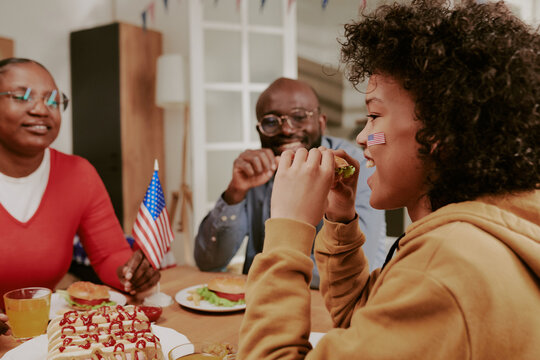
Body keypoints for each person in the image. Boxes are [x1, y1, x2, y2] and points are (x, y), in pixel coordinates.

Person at [238, 0, 540, 358]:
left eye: (374, 115)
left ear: (440, 131)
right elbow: (362, 321)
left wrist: (288, 228)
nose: (364, 137)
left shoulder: (447, 265)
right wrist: (340, 217)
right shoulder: (468, 236)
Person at [0, 58, 160, 333]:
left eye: (52, 100)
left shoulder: (78, 174)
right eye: (22, 96)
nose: (41, 109)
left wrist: (132, 275)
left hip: (39, 335)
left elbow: (109, 254)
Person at [194, 77, 386, 288]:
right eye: (270, 121)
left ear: (321, 123)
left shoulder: (352, 167)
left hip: (337, 309)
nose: (286, 130)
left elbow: (353, 266)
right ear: (259, 131)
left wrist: (268, 267)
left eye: (299, 116)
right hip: (260, 304)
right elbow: (208, 262)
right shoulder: (256, 172)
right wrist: (235, 192)